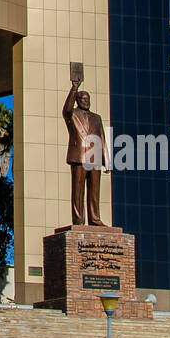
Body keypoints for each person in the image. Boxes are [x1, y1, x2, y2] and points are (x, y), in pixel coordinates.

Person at [62, 76, 110, 226]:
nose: (86, 100)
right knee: (78, 191)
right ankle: (78, 220)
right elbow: (66, 109)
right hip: (79, 157)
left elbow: (102, 138)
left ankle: (95, 219)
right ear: (77, 100)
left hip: (95, 157)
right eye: (83, 98)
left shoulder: (97, 118)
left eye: (87, 98)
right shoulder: (72, 114)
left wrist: (107, 161)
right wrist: (74, 88)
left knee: (94, 191)